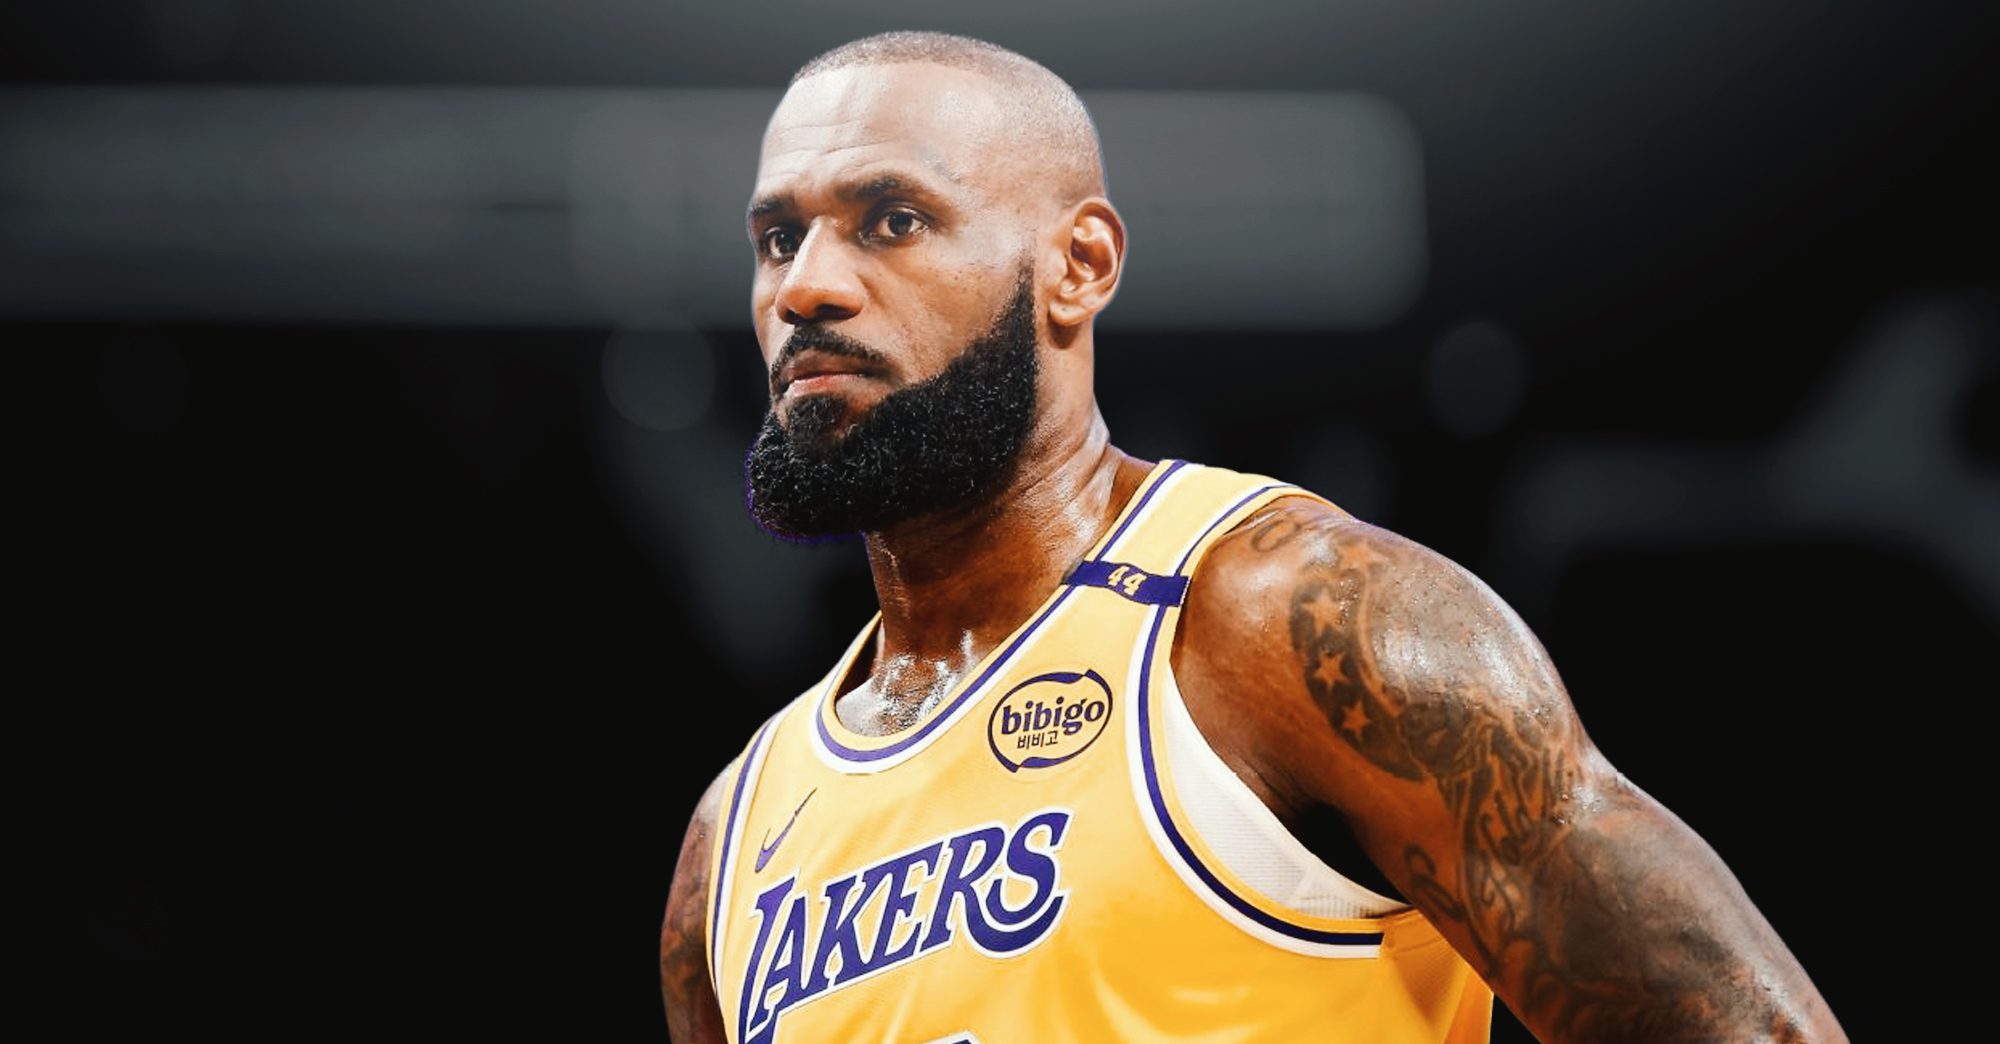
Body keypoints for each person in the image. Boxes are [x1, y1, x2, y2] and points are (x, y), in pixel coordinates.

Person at [659, 30, 1846, 1044]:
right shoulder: (737, 839)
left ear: (1077, 267)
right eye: (777, 238)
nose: (805, 287)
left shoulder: (1291, 620)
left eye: (892, 220)